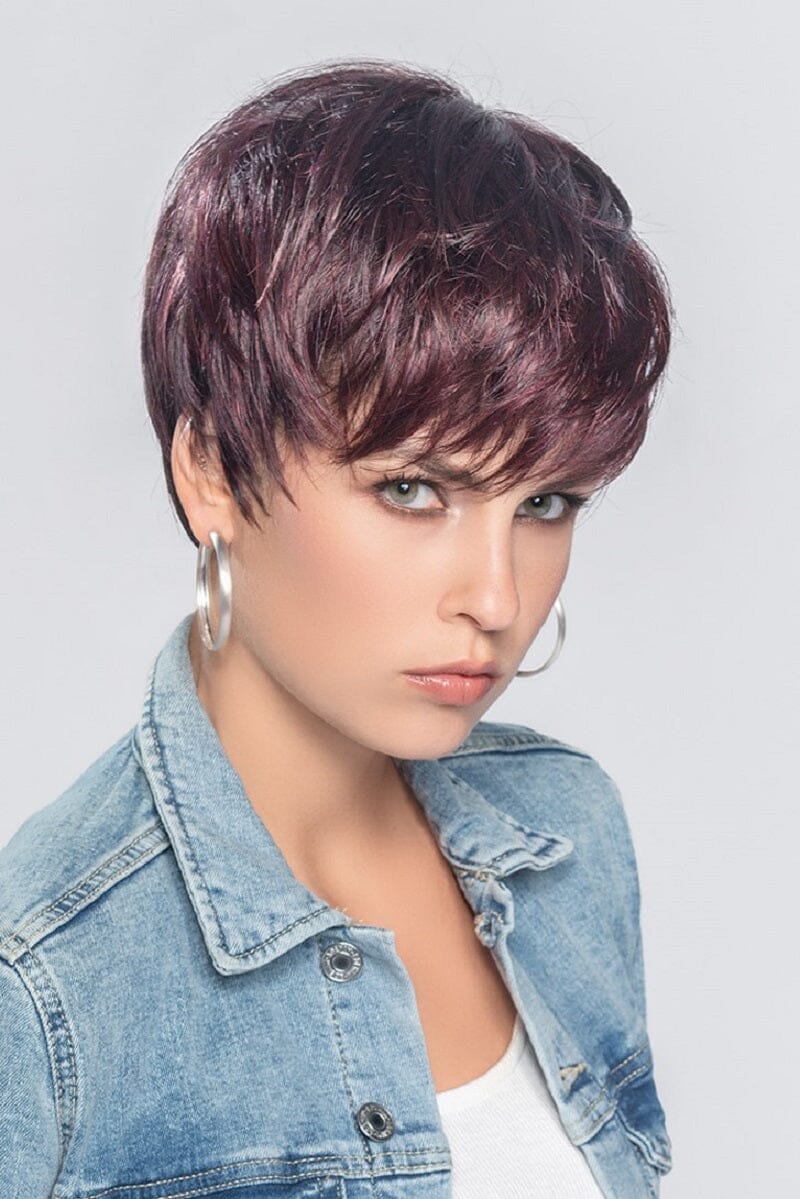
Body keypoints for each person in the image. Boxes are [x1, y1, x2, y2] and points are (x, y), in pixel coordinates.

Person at [0, 58, 674, 1198]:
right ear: (213, 473)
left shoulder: (565, 835)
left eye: (545, 503)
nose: (497, 598)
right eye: (413, 489)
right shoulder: (45, 985)